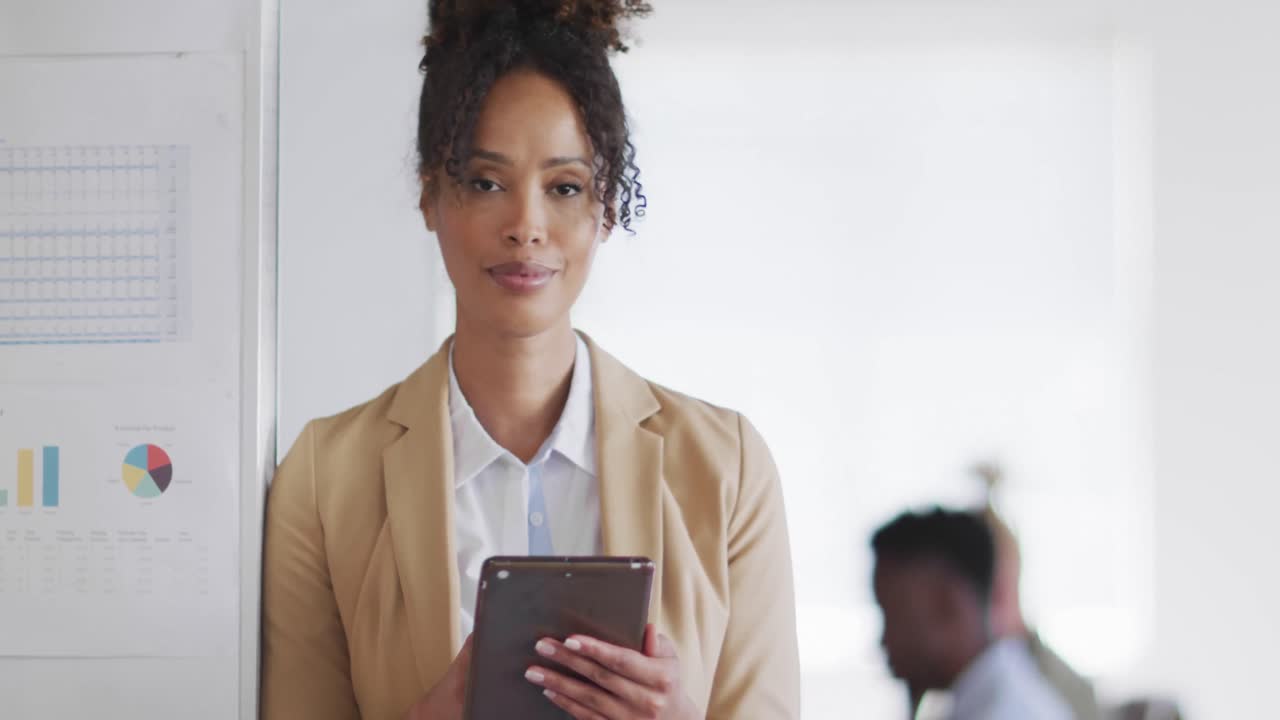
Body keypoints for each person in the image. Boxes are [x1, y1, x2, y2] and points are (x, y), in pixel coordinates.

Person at [260, 2, 801, 719]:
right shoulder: (325, 480)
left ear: (605, 207)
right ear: (430, 195)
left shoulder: (727, 469)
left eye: (565, 187)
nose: (526, 227)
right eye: (486, 182)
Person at [871, 508, 1072, 720]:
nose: (884, 641)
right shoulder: (1006, 693)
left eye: (894, 617)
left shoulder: (1000, 712)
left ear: (947, 604)